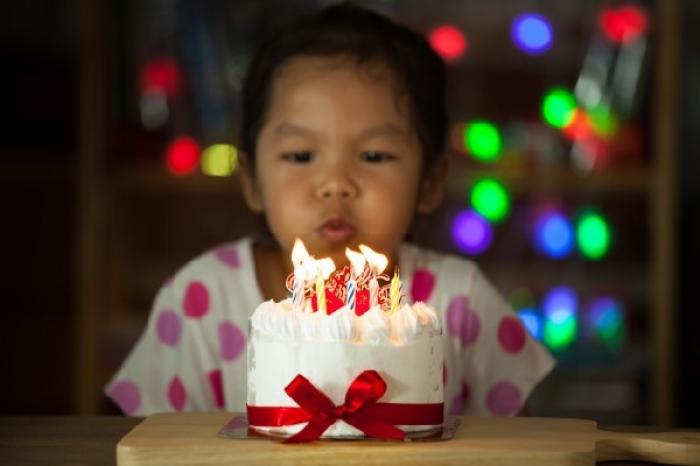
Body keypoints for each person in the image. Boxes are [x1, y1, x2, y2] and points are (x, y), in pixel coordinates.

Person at [106, 2, 554, 417]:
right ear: (252, 180)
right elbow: (149, 443)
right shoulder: (201, 303)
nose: (335, 185)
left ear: (431, 180)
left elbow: (529, 444)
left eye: (375, 155)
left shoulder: (458, 304)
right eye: (300, 155)